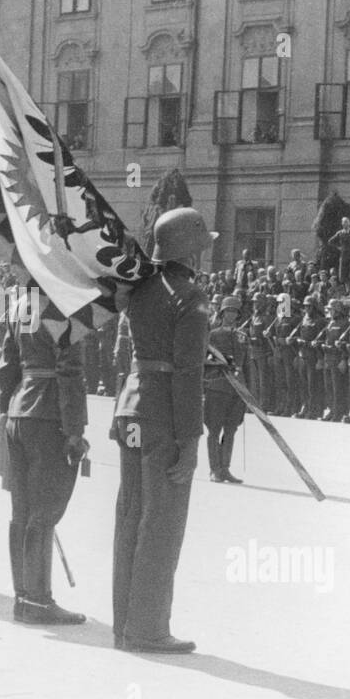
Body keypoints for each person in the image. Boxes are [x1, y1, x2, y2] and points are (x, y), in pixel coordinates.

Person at [112, 207, 215, 654]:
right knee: (162, 523)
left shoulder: (140, 290)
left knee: (131, 515)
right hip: (165, 418)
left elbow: (132, 354)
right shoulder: (190, 296)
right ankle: (149, 628)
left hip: (132, 409)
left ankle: (123, 625)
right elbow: (187, 374)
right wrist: (192, 442)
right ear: (190, 248)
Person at [0, 252, 88, 626]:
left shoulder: (20, 305)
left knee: (21, 512)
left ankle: (22, 596)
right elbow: (70, 372)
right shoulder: (62, 309)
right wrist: (75, 430)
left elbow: (7, 367)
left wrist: (5, 413)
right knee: (44, 512)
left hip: (19, 410)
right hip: (49, 414)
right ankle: (38, 600)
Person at [204, 295, 248, 484]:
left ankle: (225, 468)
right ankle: (214, 469)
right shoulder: (213, 334)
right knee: (214, 430)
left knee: (231, 430)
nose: (231, 314)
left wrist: (248, 391)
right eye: (228, 311)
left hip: (237, 390)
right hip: (217, 387)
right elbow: (205, 360)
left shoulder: (243, 336)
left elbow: (246, 364)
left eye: (235, 312)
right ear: (222, 313)